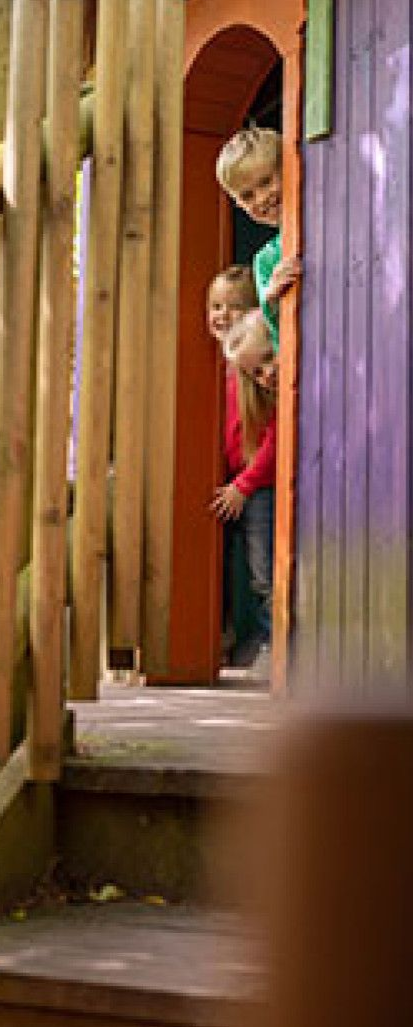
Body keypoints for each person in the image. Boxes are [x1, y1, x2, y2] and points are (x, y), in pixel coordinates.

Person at [214, 306, 277, 669]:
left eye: (269, 360)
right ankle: (227, 640)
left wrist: (244, 485)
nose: (266, 374)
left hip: (257, 490)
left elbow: (273, 448)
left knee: (263, 573)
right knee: (228, 570)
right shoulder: (235, 383)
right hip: (233, 486)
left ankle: (275, 643)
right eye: (257, 371)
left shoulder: (276, 397)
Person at [215, 126, 302, 348]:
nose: (262, 197)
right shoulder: (264, 261)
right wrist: (272, 297)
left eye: (266, 182)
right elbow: (277, 340)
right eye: (247, 196)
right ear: (238, 204)